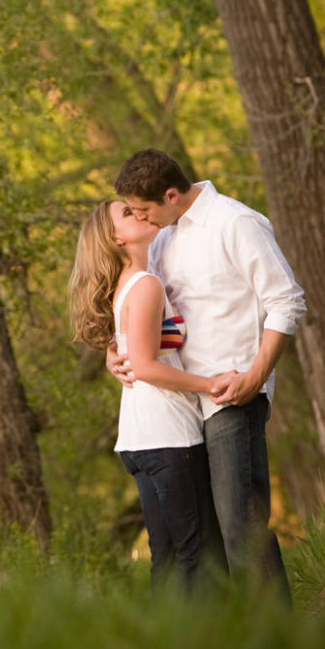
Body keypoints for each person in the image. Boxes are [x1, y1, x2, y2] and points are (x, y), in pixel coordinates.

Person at [110, 149, 307, 598]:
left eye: (143, 210)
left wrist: (256, 377)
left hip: (229, 397)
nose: (140, 218)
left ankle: (281, 644)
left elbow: (286, 300)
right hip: (179, 411)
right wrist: (113, 350)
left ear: (172, 195)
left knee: (241, 525)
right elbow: (145, 314)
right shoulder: (161, 237)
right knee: (206, 543)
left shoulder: (235, 223)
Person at [70, 199, 232, 590]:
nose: (139, 213)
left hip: (143, 440)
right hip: (170, 437)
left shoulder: (131, 284)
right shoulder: (144, 285)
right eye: (127, 213)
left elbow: (130, 355)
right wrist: (211, 384)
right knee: (200, 556)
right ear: (116, 238)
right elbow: (143, 365)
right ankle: (202, 644)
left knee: (171, 557)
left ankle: (164, 644)